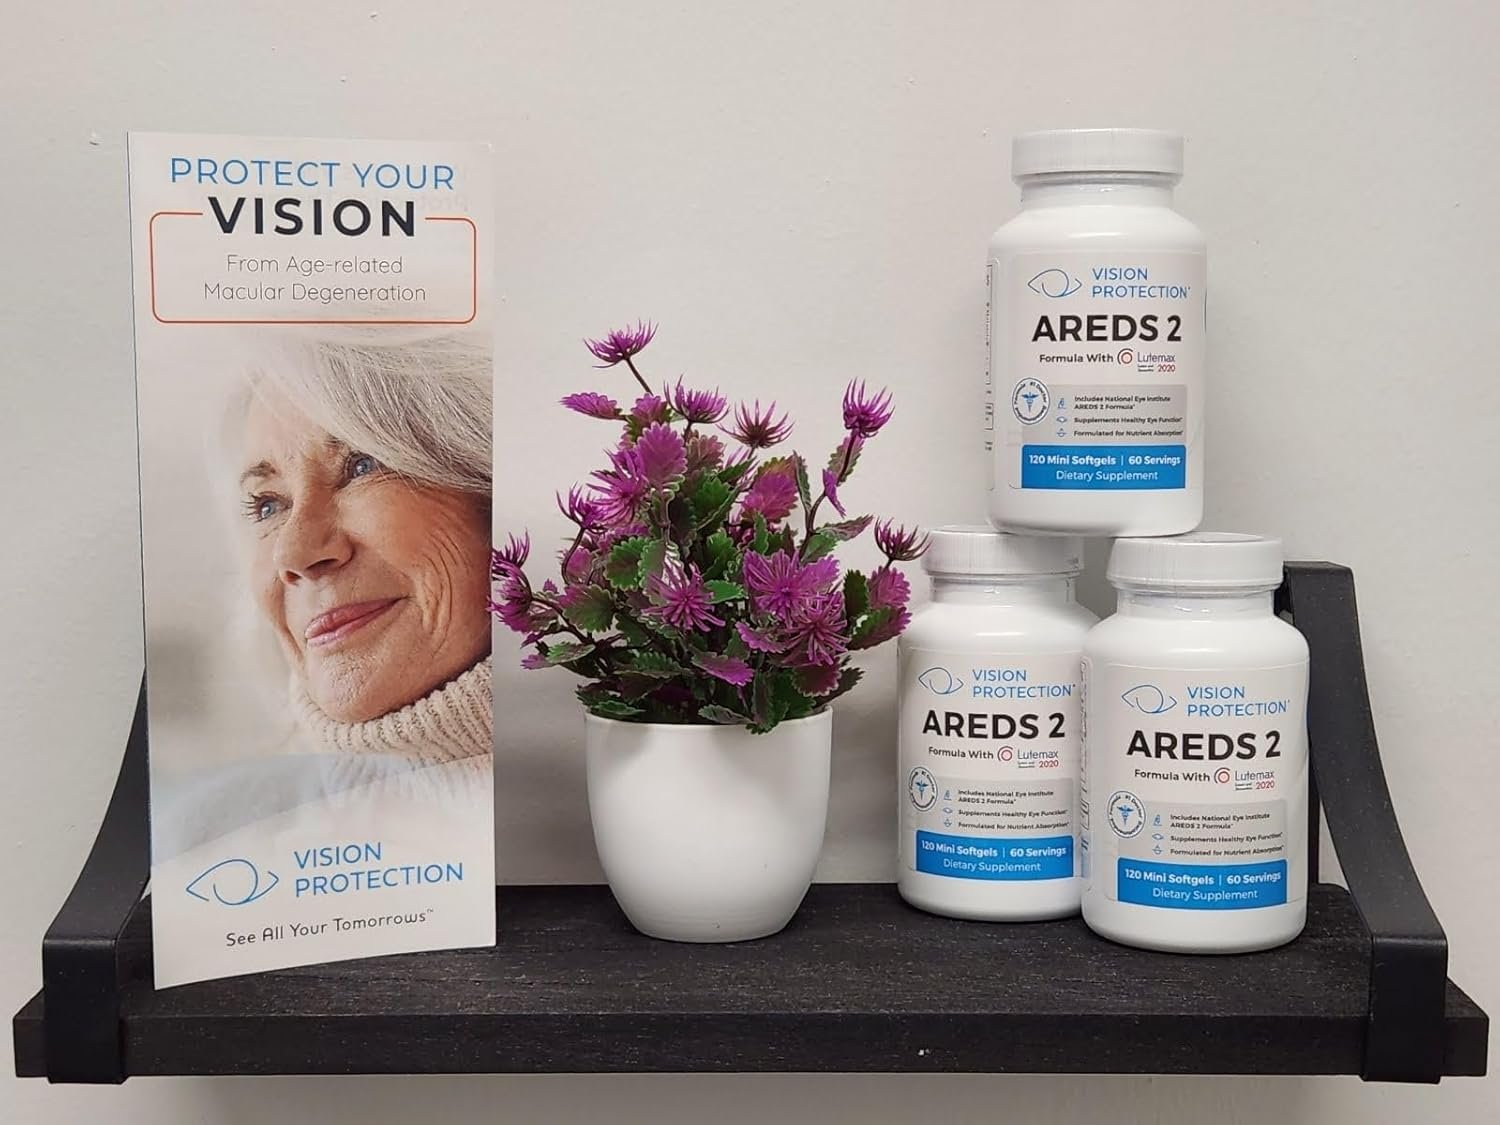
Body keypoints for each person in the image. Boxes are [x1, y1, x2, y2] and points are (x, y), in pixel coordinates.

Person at [154, 329, 494, 857]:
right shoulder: (205, 842)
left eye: (363, 465)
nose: (293, 553)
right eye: (268, 505)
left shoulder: (611, 803)